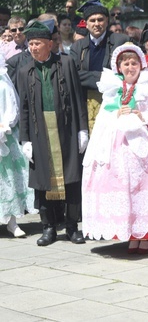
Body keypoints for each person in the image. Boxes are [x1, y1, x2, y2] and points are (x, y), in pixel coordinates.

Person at [81, 44, 148, 253]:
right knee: (123, 187)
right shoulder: (112, 89)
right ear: (119, 67)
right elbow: (103, 118)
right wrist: (116, 115)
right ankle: (130, 232)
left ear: (141, 65)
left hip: (146, 145)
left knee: (144, 187)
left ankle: (147, 234)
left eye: (134, 63)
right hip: (118, 144)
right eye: (126, 63)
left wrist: (143, 115)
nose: (130, 67)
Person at [17, 22, 89, 246]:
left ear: (50, 44)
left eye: (37, 43)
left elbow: (78, 97)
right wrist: (25, 138)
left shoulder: (66, 63)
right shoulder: (24, 71)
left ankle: (72, 227)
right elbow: (25, 108)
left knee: (72, 178)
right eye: (30, 44)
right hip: (40, 132)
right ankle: (48, 227)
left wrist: (82, 129)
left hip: (66, 128)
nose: (33, 48)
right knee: (42, 181)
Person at [69, 0, 129, 132]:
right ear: (86, 23)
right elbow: (73, 75)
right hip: (85, 102)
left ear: (107, 21)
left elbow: (124, 74)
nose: (96, 24)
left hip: (114, 102)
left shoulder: (120, 41)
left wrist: (88, 78)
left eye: (100, 20)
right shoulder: (77, 47)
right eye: (92, 20)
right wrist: (104, 77)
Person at [0, 52, 33, 238]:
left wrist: (4, 126)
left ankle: (12, 221)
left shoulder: (3, 83)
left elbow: (12, 109)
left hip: (4, 135)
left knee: (8, 179)